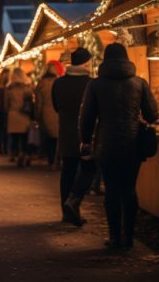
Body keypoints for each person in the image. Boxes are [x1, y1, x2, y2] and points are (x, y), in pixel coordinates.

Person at [80, 43, 159, 249]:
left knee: (112, 189)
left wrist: (85, 141)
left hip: (106, 143)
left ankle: (114, 237)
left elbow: (87, 117)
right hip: (133, 144)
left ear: (105, 60)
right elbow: (152, 114)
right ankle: (130, 238)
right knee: (129, 189)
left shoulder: (95, 85)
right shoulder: (139, 83)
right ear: (126, 59)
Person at [52, 48, 94, 225]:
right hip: (86, 131)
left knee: (67, 171)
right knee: (88, 168)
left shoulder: (59, 83)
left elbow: (55, 106)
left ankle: (66, 212)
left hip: (66, 132)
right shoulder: (91, 83)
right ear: (85, 63)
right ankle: (74, 202)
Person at [5, 68, 34, 167]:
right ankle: (24, 153)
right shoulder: (27, 89)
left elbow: (6, 104)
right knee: (24, 137)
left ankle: (14, 154)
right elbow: (31, 103)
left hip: (13, 114)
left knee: (14, 137)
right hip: (24, 115)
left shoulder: (9, 89)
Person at [35, 61, 61, 170]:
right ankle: (57, 161)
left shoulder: (41, 84)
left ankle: (51, 161)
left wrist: (38, 116)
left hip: (46, 113)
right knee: (58, 139)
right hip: (58, 113)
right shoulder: (59, 82)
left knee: (49, 138)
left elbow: (38, 103)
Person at [0, 69, 10, 157]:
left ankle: (0, 149)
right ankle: (6, 149)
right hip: (6, 112)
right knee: (5, 131)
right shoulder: (8, 88)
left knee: (0, 131)